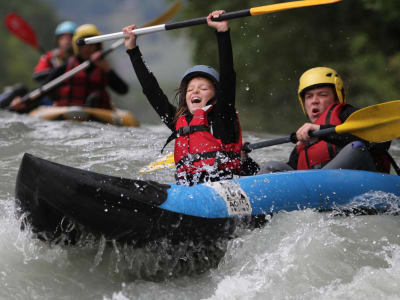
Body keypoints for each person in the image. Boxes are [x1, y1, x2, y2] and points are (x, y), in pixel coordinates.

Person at [123, 10, 259, 185]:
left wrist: (222, 32)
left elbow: (227, 75)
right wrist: (133, 50)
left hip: (225, 187)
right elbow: (152, 91)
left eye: (203, 88)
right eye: (190, 90)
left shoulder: (223, 116)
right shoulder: (178, 120)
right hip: (189, 190)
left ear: (216, 96)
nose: (195, 92)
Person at [259, 67, 393, 174]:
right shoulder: (303, 141)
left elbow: (380, 142)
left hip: (367, 185)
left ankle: (316, 187)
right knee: (273, 167)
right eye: (309, 97)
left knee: (356, 149)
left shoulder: (348, 115)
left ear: (336, 97)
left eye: (322, 95)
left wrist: (323, 132)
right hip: (316, 192)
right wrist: (244, 161)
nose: (314, 101)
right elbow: (283, 179)